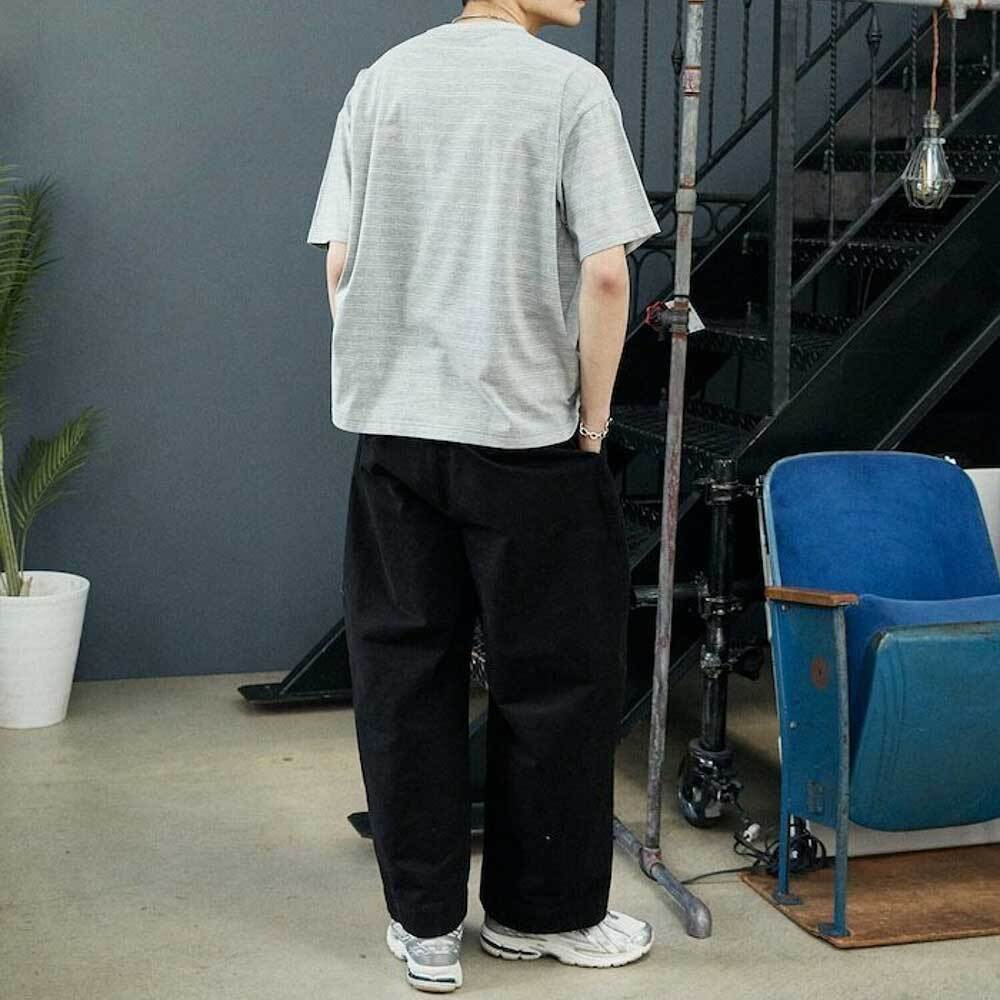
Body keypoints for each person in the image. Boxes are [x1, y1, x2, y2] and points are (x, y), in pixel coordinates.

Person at [306, 0, 661, 991]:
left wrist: (390, 372)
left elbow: (340, 262)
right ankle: (539, 915)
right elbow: (605, 277)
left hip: (394, 442)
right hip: (527, 442)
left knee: (403, 679)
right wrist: (593, 424)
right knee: (554, 685)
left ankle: (424, 928)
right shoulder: (570, 89)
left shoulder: (380, 82)